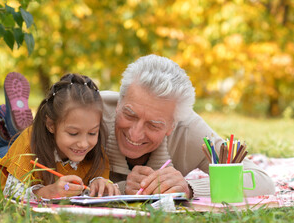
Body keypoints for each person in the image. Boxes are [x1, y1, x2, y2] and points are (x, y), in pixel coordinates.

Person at [100, 54, 275, 198]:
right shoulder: (89, 112)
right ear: (118, 104)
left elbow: (261, 181)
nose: (136, 134)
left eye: (154, 125)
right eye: (130, 115)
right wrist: (121, 188)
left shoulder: (189, 130)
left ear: (173, 125)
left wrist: (189, 188)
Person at [0, 73, 119, 200]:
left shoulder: (95, 150)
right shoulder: (28, 143)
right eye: (73, 133)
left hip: (18, 147)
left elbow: (98, 179)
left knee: (8, 140)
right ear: (51, 125)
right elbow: (11, 191)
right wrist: (48, 192)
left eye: (92, 133)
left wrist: (100, 183)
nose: (83, 144)